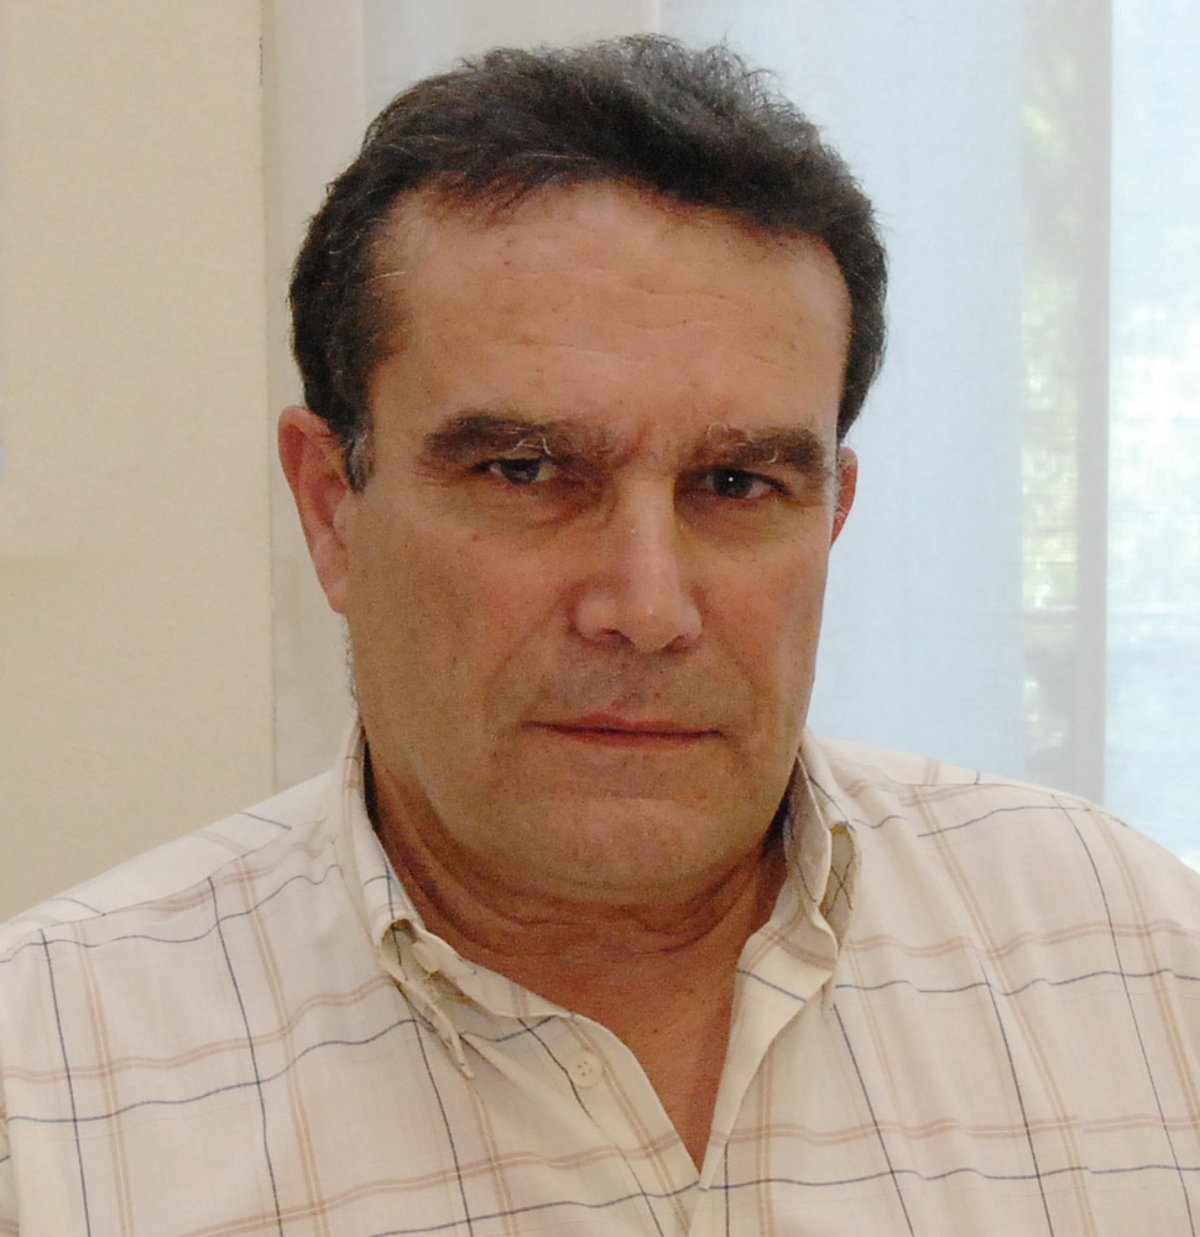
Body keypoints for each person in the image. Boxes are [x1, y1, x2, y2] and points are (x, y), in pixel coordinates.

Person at [2, 35, 1198, 1235]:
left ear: (830, 515)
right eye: (527, 471)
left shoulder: (1134, 957)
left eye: (736, 484)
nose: (647, 608)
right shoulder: (48, 1094)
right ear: (331, 508)